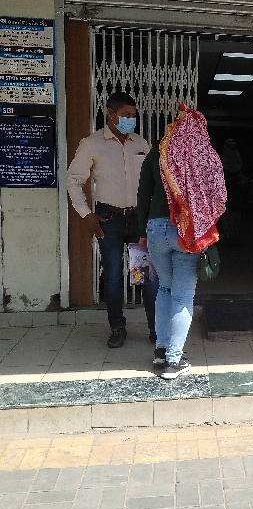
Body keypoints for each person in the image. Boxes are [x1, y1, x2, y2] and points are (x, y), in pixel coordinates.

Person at [138, 104, 226, 379]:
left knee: (164, 288)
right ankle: (173, 361)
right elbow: (219, 195)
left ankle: (161, 350)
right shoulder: (204, 154)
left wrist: (142, 232)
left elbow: (143, 195)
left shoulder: (158, 152)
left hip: (155, 229)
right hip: (185, 232)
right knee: (182, 295)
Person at [66, 92, 158, 348]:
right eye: (125, 114)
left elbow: (154, 180)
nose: (130, 119)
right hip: (108, 219)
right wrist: (86, 214)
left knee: (146, 276)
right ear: (110, 113)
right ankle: (118, 327)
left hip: (139, 219)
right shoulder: (92, 144)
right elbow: (74, 181)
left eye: (133, 115)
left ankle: (156, 329)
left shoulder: (141, 144)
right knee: (114, 277)